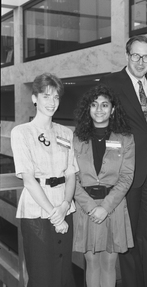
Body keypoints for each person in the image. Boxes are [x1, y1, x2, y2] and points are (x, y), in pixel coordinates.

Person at [101, 35, 147, 287]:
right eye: (136, 56)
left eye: (146, 56)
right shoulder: (110, 83)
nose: (141, 62)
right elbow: (101, 126)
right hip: (125, 171)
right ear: (127, 55)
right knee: (128, 237)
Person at [10, 73, 78, 287]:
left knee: (63, 272)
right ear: (34, 98)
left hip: (64, 207)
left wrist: (65, 205)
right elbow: (29, 180)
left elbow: (71, 174)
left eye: (56, 97)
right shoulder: (21, 132)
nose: (52, 102)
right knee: (42, 276)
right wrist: (55, 216)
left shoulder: (66, 133)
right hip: (37, 211)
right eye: (46, 96)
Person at [72, 84, 135, 287]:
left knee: (109, 263)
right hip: (86, 208)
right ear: (88, 109)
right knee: (91, 261)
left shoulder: (126, 139)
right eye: (94, 104)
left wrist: (105, 207)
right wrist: (92, 208)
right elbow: (71, 177)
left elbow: (126, 177)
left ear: (113, 109)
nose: (99, 109)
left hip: (113, 207)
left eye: (105, 105)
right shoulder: (76, 139)